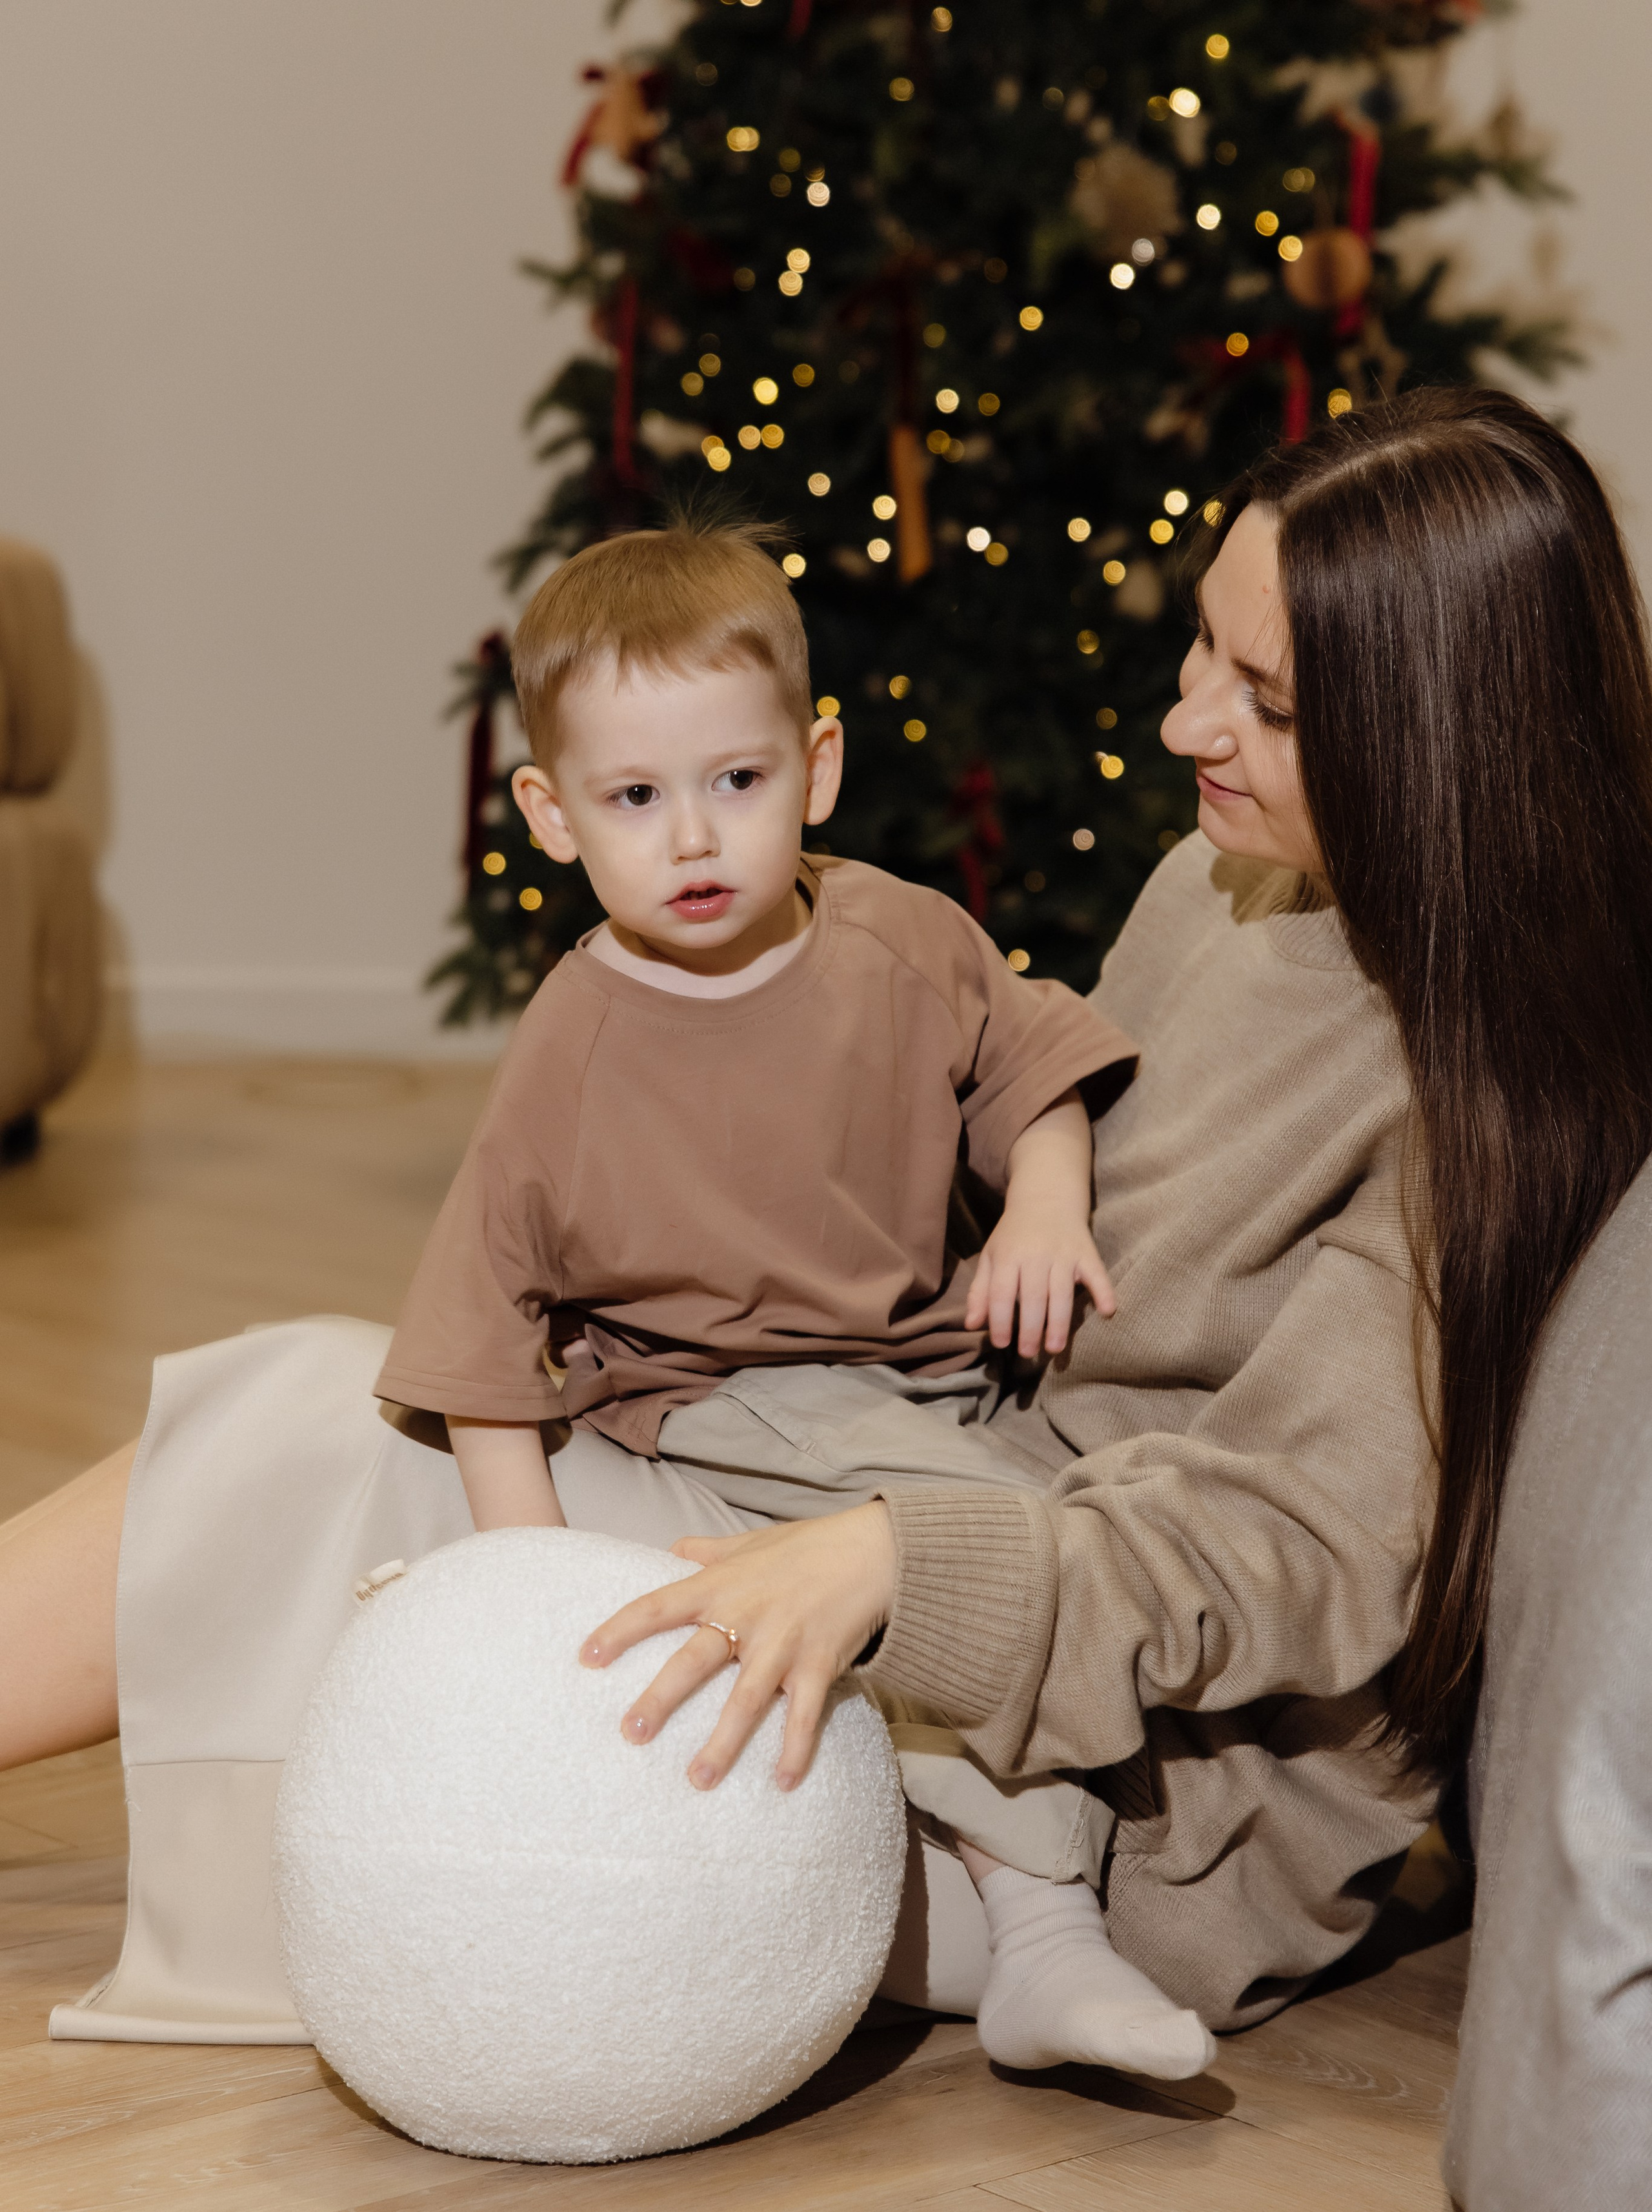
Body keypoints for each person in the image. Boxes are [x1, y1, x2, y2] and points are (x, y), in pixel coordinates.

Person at [6, 386, 1649, 2077]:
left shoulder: (1504, 1119)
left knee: (340, 1469)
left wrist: (886, 1566)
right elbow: (1017, 1203)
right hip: (917, 1504)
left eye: (1270, 701)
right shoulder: (1235, 884)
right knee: (348, 1423)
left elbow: (1286, 1552)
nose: (1185, 731)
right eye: (1202, 660)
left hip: (1131, 1803)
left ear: (1443, 740)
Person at [374, 518, 1216, 2081]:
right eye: (634, 799)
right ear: (552, 817)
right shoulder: (572, 1047)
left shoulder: (900, 936)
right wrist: (526, 1589)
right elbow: (482, 1339)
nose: (691, 840)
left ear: (814, 767)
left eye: (734, 783)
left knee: (1064, 1544)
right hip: (723, 1396)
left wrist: (1042, 1197)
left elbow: (1028, 1062)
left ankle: (1008, 1878)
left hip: (929, 1375)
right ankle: (1043, 1945)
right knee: (994, 1562)